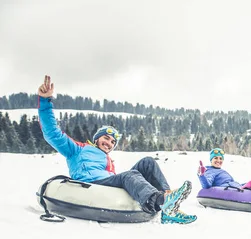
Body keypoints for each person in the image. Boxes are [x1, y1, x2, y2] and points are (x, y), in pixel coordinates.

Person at [37, 75, 196, 224]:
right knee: (130, 175)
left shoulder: (108, 160)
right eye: (106, 138)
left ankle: (168, 202)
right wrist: (45, 101)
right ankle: (161, 201)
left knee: (147, 163)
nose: (109, 143)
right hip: (92, 182)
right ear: (97, 138)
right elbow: (52, 133)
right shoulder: (78, 149)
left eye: (113, 141)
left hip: (109, 182)